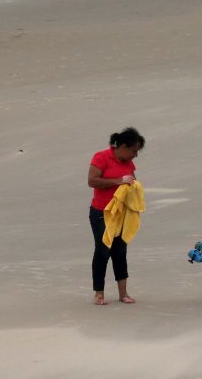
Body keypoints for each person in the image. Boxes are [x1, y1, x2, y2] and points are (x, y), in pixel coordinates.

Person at [87, 127, 145, 306]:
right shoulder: (101, 157)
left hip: (121, 214)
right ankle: (99, 293)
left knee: (120, 252)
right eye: (134, 151)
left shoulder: (129, 163)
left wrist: (134, 189)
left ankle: (123, 293)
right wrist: (117, 181)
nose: (135, 155)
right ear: (123, 146)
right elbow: (92, 181)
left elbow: (132, 183)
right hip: (101, 213)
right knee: (102, 252)